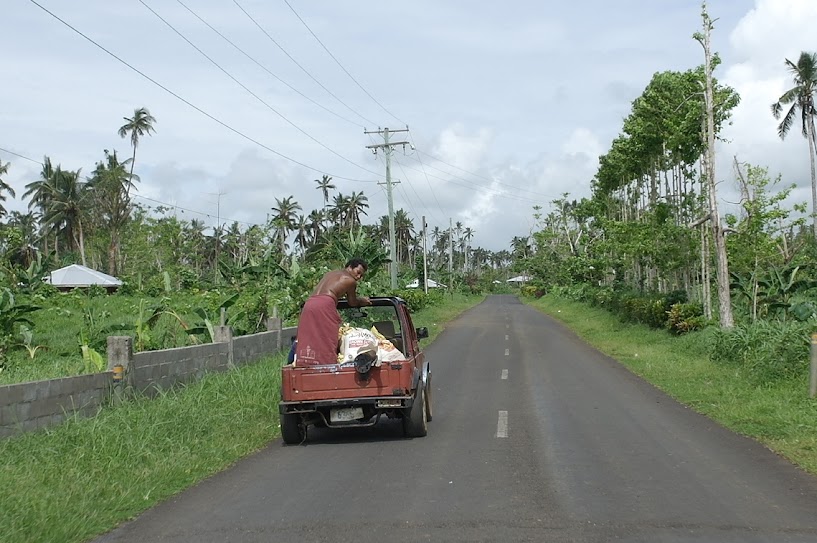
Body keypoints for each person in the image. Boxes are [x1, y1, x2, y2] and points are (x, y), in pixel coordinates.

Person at [294, 259, 372, 366]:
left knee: (308, 336)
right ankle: (327, 365)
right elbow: (352, 302)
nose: (358, 277)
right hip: (325, 304)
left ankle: (303, 362)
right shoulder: (350, 281)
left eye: (361, 275)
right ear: (349, 267)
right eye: (358, 272)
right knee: (329, 337)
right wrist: (363, 301)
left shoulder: (330, 274)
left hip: (309, 304)